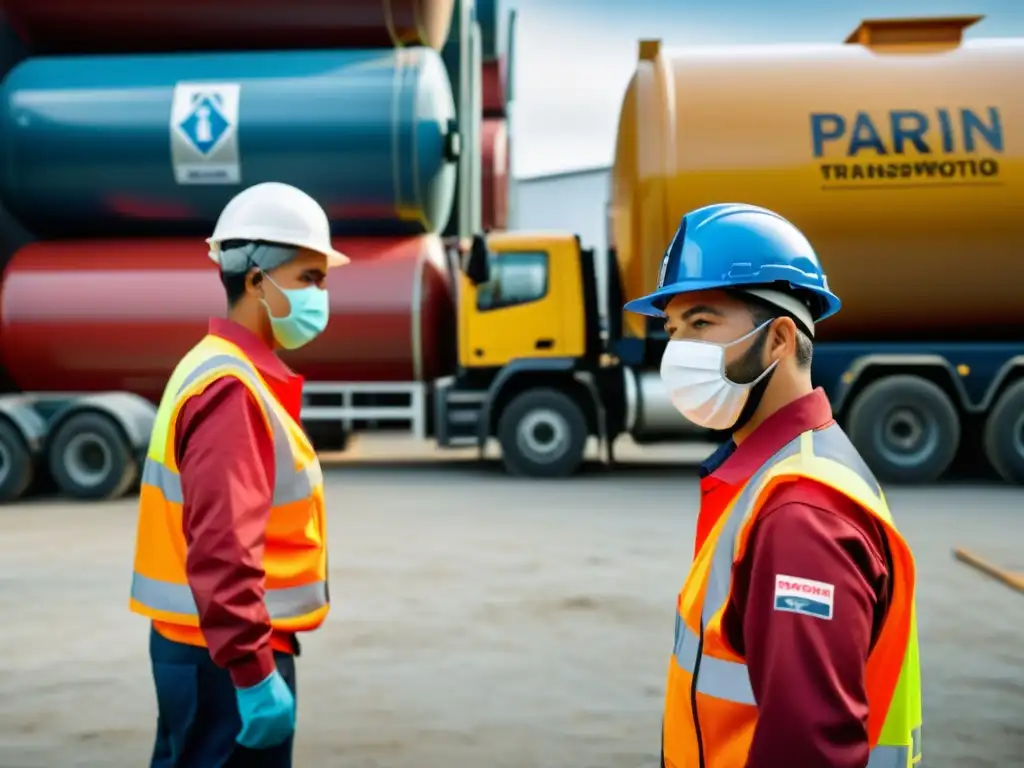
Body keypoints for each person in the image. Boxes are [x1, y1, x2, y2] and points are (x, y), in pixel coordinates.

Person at [624, 203, 922, 768]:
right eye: (672, 329)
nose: (677, 350)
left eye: (702, 323)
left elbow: (808, 751)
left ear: (781, 338)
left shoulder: (802, 515)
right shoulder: (780, 470)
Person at [128, 181, 349, 768]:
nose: (321, 296)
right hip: (227, 658)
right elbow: (223, 549)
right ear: (256, 281)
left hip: (202, 647)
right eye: (310, 278)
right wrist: (253, 675)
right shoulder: (231, 390)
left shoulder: (211, 366)